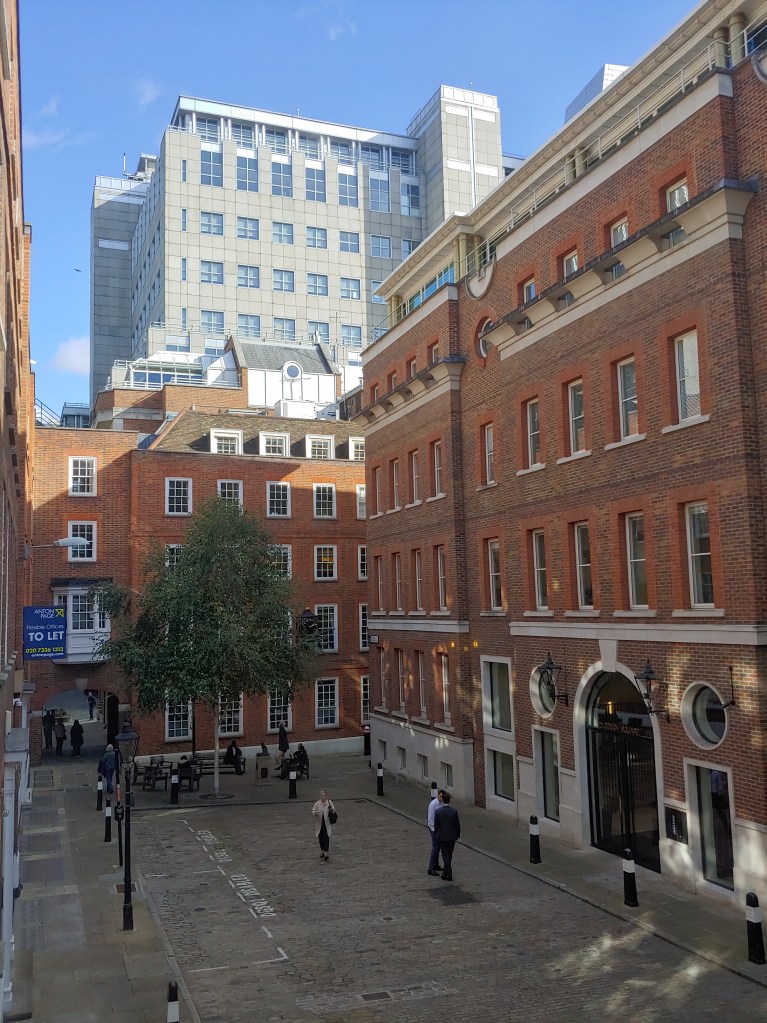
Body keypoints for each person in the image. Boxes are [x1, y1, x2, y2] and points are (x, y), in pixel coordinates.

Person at [434, 791, 461, 882]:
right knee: (449, 855)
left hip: (443, 836)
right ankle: (445, 873)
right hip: (452, 836)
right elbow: (457, 825)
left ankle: (449, 874)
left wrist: (437, 834)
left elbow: (436, 825)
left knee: (445, 856)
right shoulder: (454, 811)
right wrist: (457, 835)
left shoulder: (438, 812)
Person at [312, 790, 336, 861]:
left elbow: (333, 810)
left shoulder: (329, 802)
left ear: (326, 796)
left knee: (326, 837)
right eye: (321, 796)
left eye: (324, 795)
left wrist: (331, 809)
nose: (323, 797)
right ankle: (322, 850)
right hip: (319, 824)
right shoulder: (317, 803)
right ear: (320, 796)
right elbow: (313, 811)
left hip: (326, 823)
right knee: (321, 838)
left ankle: (326, 853)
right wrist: (316, 813)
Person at [427, 788, 445, 876]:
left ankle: (436, 864)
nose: (441, 799)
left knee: (438, 847)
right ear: (438, 795)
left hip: (439, 828)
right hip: (433, 828)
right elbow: (430, 820)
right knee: (435, 847)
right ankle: (431, 868)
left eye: (443, 797)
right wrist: (434, 831)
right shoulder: (433, 804)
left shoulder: (442, 804)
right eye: (440, 796)